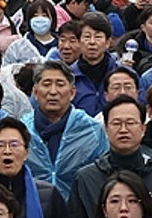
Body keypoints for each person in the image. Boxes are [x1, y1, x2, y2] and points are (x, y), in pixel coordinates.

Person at [22, 61, 108, 199]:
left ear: (72, 92)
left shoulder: (91, 131)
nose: (53, 92)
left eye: (60, 85)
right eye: (46, 84)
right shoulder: (21, 130)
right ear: (35, 92)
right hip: (32, 209)